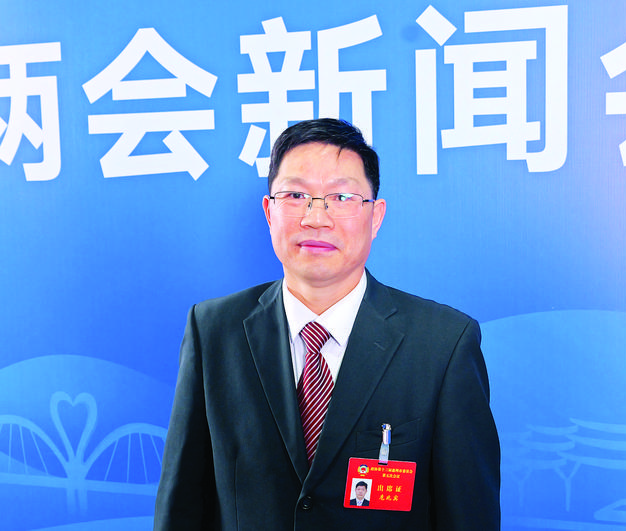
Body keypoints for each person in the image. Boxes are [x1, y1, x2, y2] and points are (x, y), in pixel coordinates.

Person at [153, 118, 500, 530]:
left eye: (341, 197)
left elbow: (468, 514)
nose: (316, 218)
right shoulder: (213, 331)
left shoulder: (442, 345)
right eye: (296, 195)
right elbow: (182, 507)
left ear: (376, 216)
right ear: (269, 212)